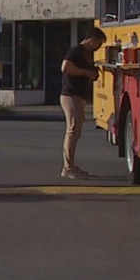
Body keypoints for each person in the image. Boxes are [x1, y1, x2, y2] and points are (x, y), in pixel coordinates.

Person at [59, 27, 106, 179]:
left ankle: (71, 164)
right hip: (71, 94)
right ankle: (68, 167)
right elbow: (65, 67)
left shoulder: (86, 54)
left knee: (76, 130)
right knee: (72, 129)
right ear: (91, 39)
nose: (98, 47)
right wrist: (86, 73)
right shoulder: (76, 51)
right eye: (98, 43)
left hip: (78, 95)